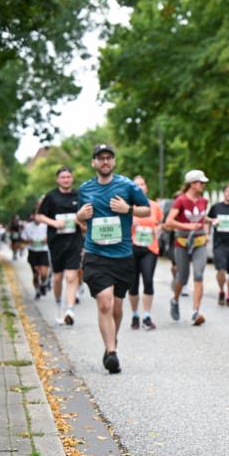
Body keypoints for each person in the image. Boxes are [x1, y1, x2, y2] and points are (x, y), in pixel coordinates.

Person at [75, 144, 151, 374]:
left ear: (114, 162)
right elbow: (80, 218)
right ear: (94, 163)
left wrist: (128, 209)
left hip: (122, 255)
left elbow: (147, 210)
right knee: (105, 302)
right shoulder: (85, 189)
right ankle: (111, 353)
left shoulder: (127, 185)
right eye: (100, 158)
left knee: (117, 307)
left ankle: (112, 343)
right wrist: (80, 215)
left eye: (108, 158)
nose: (105, 162)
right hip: (96, 254)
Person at [36, 166, 84, 326]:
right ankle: (59, 304)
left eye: (68, 177)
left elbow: (85, 220)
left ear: (72, 179)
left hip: (74, 241)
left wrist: (80, 221)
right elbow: (39, 216)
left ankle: (70, 310)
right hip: (56, 242)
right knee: (58, 278)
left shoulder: (79, 195)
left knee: (72, 276)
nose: (66, 180)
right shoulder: (51, 197)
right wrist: (54, 223)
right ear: (58, 180)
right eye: (63, 177)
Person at [163, 170, 210, 326]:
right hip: (182, 242)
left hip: (199, 242)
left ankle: (196, 312)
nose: (203, 185)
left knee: (198, 275)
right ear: (192, 184)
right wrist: (188, 225)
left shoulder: (204, 201)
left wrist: (207, 230)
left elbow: (202, 220)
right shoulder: (180, 201)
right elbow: (169, 222)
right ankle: (175, 300)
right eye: (201, 183)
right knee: (182, 278)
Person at [128, 175, 163, 331]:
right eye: (137, 185)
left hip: (150, 248)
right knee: (133, 284)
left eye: (142, 184)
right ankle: (135, 314)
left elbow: (160, 223)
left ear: (146, 188)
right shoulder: (128, 207)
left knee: (148, 280)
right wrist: (130, 223)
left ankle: (147, 316)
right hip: (132, 248)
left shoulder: (154, 206)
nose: (140, 187)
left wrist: (158, 230)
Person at [23, 204, 51, 299]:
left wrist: (46, 239)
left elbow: (51, 237)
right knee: (35, 273)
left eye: (40, 215)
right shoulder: (27, 226)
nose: (38, 218)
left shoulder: (46, 226)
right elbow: (23, 238)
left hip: (43, 251)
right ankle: (37, 290)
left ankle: (43, 283)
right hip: (33, 251)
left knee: (43, 273)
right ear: (33, 216)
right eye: (36, 215)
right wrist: (29, 241)